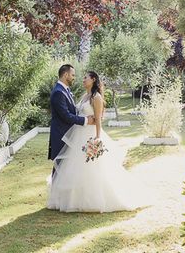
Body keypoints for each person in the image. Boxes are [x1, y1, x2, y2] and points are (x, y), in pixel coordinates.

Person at [47, 70, 148, 212]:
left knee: (93, 168)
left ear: (93, 79)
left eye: (85, 78)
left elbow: (98, 120)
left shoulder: (97, 97)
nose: (82, 80)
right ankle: (73, 198)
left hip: (90, 134)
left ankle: (95, 199)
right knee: (75, 167)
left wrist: (98, 137)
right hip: (78, 133)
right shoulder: (84, 96)